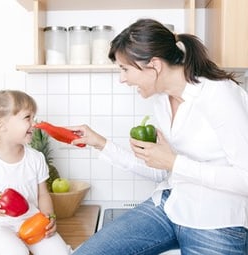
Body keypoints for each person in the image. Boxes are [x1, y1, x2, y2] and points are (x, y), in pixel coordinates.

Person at [69, 18, 248, 255]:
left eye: (125, 69)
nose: (122, 79)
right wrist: (100, 144)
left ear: (154, 65)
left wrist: (175, 162)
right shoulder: (162, 101)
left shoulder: (219, 95)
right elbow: (162, 171)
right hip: (169, 206)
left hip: (217, 222)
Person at [0, 90, 71, 255]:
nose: (34, 123)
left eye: (34, 117)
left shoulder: (36, 158)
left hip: (32, 219)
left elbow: (43, 194)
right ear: (1, 125)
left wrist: (49, 217)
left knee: (60, 253)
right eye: (27, 117)